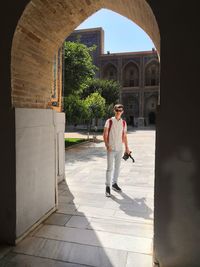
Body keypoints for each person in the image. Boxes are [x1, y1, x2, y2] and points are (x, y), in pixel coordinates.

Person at [103, 104, 130, 197]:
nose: (119, 112)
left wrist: (127, 148)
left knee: (117, 168)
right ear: (114, 111)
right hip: (111, 149)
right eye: (117, 110)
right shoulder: (109, 121)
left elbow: (125, 136)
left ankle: (114, 184)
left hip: (119, 149)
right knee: (109, 169)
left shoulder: (123, 123)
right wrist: (107, 145)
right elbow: (105, 134)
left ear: (122, 112)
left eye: (120, 110)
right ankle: (107, 187)